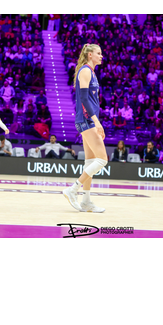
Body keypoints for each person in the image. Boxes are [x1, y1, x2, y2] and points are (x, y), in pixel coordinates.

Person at [63, 44, 108, 213]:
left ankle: (86, 201)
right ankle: (73, 189)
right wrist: (96, 121)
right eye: (98, 53)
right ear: (90, 55)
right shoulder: (85, 71)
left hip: (88, 120)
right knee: (102, 159)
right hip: (87, 120)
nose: (101, 56)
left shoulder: (91, 72)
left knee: (90, 161)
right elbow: (83, 98)